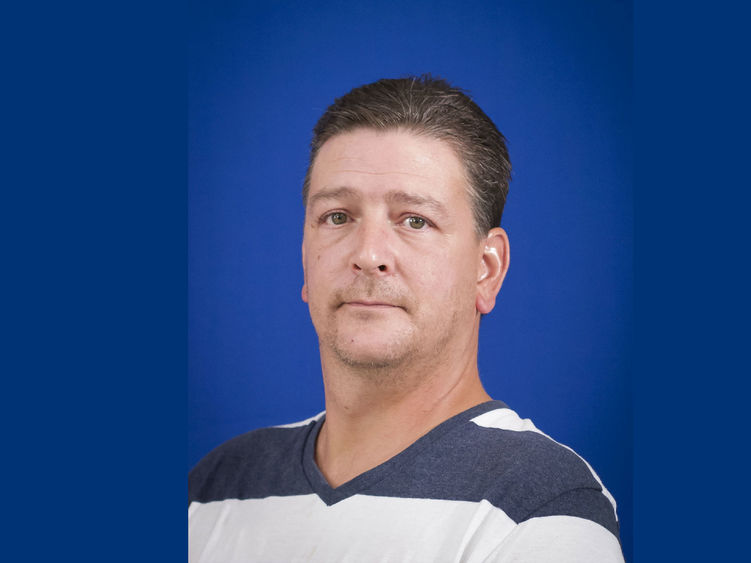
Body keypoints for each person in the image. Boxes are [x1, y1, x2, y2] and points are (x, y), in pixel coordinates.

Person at [188, 75, 625, 562]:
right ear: (305, 258)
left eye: (415, 220)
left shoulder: (541, 513)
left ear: (487, 270)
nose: (368, 253)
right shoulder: (216, 489)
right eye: (338, 216)